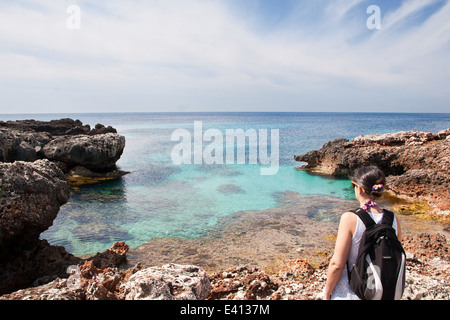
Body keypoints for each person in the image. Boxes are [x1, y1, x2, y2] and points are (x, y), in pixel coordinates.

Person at [323, 165, 402, 300]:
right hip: (382, 292)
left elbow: (337, 264)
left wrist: (326, 292)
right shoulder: (392, 219)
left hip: (351, 293)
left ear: (359, 188)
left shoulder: (350, 218)